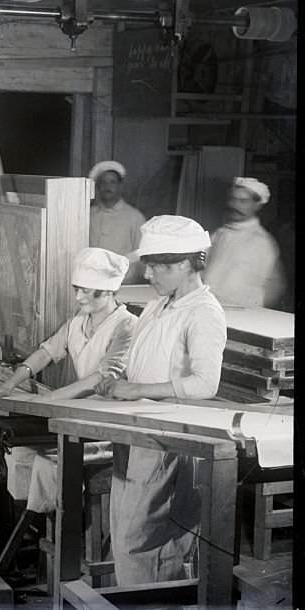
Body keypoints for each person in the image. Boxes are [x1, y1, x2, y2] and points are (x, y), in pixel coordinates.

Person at [96, 215, 225, 585]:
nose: (148, 275)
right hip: (137, 432)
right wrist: (118, 379)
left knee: (147, 541)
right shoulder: (159, 305)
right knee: (124, 535)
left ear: (186, 264)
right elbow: (144, 358)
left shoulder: (203, 313)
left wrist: (135, 391)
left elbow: (205, 383)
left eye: (157, 267)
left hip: (170, 439)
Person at [0, 248, 137, 514]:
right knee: (19, 451)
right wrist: (9, 384)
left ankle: (63, 528)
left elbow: (102, 377)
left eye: (85, 290)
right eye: (76, 289)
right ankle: (30, 523)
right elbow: (46, 352)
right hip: (80, 411)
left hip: (111, 417)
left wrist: (49, 399)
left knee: (47, 463)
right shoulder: (78, 322)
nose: (78, 297)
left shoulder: (127, 326)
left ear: (107, 291)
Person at [202, 177, 286, 309]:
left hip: (240, 313)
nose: (235, 205)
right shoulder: (218, 235)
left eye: (243, 201)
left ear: (257, 205)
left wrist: (252, 311)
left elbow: (276, 285)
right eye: (233, 199)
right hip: (209, 307)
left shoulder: (263, 242)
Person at [88, 160, 145, 284]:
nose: (107, 186)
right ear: (97, 186)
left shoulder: (134, 217)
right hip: (91, 281)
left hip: (123, 284)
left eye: (112, 182)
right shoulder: (88, 215)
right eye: (103, 182)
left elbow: (142, 254)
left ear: (120, 186)